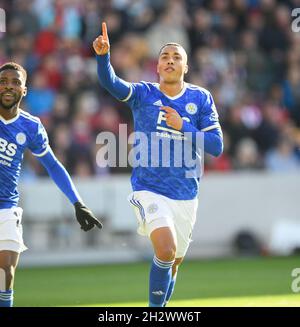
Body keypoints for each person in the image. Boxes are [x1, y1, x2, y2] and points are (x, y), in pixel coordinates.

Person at [93, 23, 223, 307]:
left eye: (177, 57)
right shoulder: (144, 93)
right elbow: (112, 84)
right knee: (165, 250)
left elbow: (216, 146)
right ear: (157, 65)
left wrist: (184, 126)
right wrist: (103, 57)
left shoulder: (200, 98)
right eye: (165, 56)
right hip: (149, 189)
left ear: (185, 67)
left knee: (173, 264)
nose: (170, 60)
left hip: (186, 194)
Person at [0, 62, 103, 307]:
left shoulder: (31, 126)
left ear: (24, 90)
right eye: (3, 81)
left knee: (6, 273)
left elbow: (54, 166)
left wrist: (78, 202)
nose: (8, 86)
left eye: (15, 82)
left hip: (6, 207)